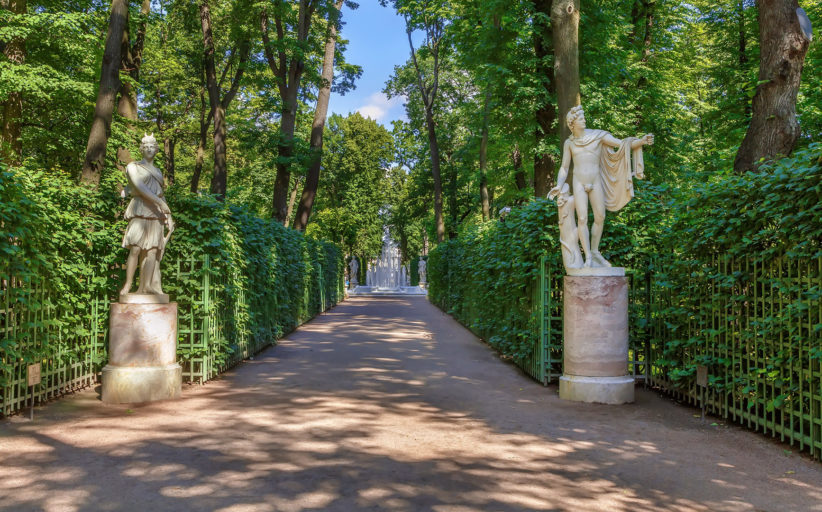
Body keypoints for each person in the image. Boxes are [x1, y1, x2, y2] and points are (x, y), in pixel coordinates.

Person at [548, 106, 653, 268]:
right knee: (582, 218)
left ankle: (595, 252)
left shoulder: (597, 136)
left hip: (595, 181)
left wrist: (642, 141)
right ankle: (588, 256)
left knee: (600, 217)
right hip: (579, 182)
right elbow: (564, 167)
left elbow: (622, 144)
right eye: (580, 118)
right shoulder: (569, 143)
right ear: (572, 123)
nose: (584, 120)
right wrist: (559, 185)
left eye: (583, 117)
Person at [119, 133, 174, 296]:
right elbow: (140, 187)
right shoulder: (133, 166)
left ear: (156, 150)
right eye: (146, 147)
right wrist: (160, 204)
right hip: (140, 208)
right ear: (141, 150)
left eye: (152, 147)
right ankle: (128, 284)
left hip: (156, 213)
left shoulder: (157, 171)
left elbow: (160, 194)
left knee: (152, 251)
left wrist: (168, 216)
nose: (149, 150)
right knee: (135, 248)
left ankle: (147, 286)